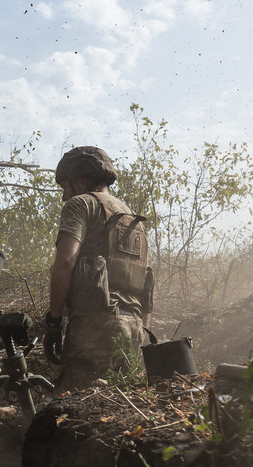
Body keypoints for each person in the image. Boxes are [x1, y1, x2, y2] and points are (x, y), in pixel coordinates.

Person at [43, 146, 153, 391]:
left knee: (73, 409)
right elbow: (146, 283)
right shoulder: (131, 217)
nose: (64, 197)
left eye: (65, 188)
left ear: (81, 181)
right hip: (133, 328)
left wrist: (52, 323)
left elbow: (65, 262)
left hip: (94, 329)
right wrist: (142, 329)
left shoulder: (81, 205)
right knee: (114, 408)